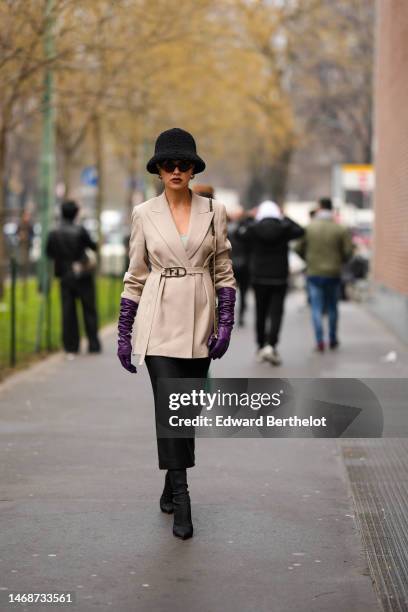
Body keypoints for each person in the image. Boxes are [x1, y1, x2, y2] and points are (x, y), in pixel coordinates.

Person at [116, 128, 236, 540]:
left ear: (193, 168)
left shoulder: (214, 211)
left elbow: (223, 270)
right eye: (168, 164)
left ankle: (171, 478)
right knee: (171, 404)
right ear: (158, 169)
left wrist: (226, 320)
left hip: (200, 319)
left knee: (187, 408)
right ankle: (183, 496)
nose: (176, 170)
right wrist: (124, 331)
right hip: (159, 317)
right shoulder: (143, 213)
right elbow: (135, 275)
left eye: (184, 164)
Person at [238, 200, 304, 365]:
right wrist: (285, 217)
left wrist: (249, 218)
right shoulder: (285, 228)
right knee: (276, 313)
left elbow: (240, 234)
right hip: (279, 277)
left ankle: (261, 345)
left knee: (260, 312)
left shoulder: (254, 228)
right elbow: (301, 231)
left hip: (259, 276)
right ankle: (271, 345)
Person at [295, 197, 353, 351]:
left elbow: (297, 248)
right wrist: (340, 260)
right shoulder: (339, 229)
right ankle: (333, 338)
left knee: (316, 308)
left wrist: (308, 259)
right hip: (333, 273)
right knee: (333, 307)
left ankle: (320, 340)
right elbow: (348, 252)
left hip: (314, 272)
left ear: (320, 208)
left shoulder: (309, 228)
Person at [46, 200, 101, 357]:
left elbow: (48, 253)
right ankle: (93, 344)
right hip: (83, 274)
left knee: (68, 312)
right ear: (76, 213)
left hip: (65, 276)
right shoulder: (80, 230)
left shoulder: (53, 232)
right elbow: (93, 246)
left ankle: (71, 346)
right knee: (89, 310)